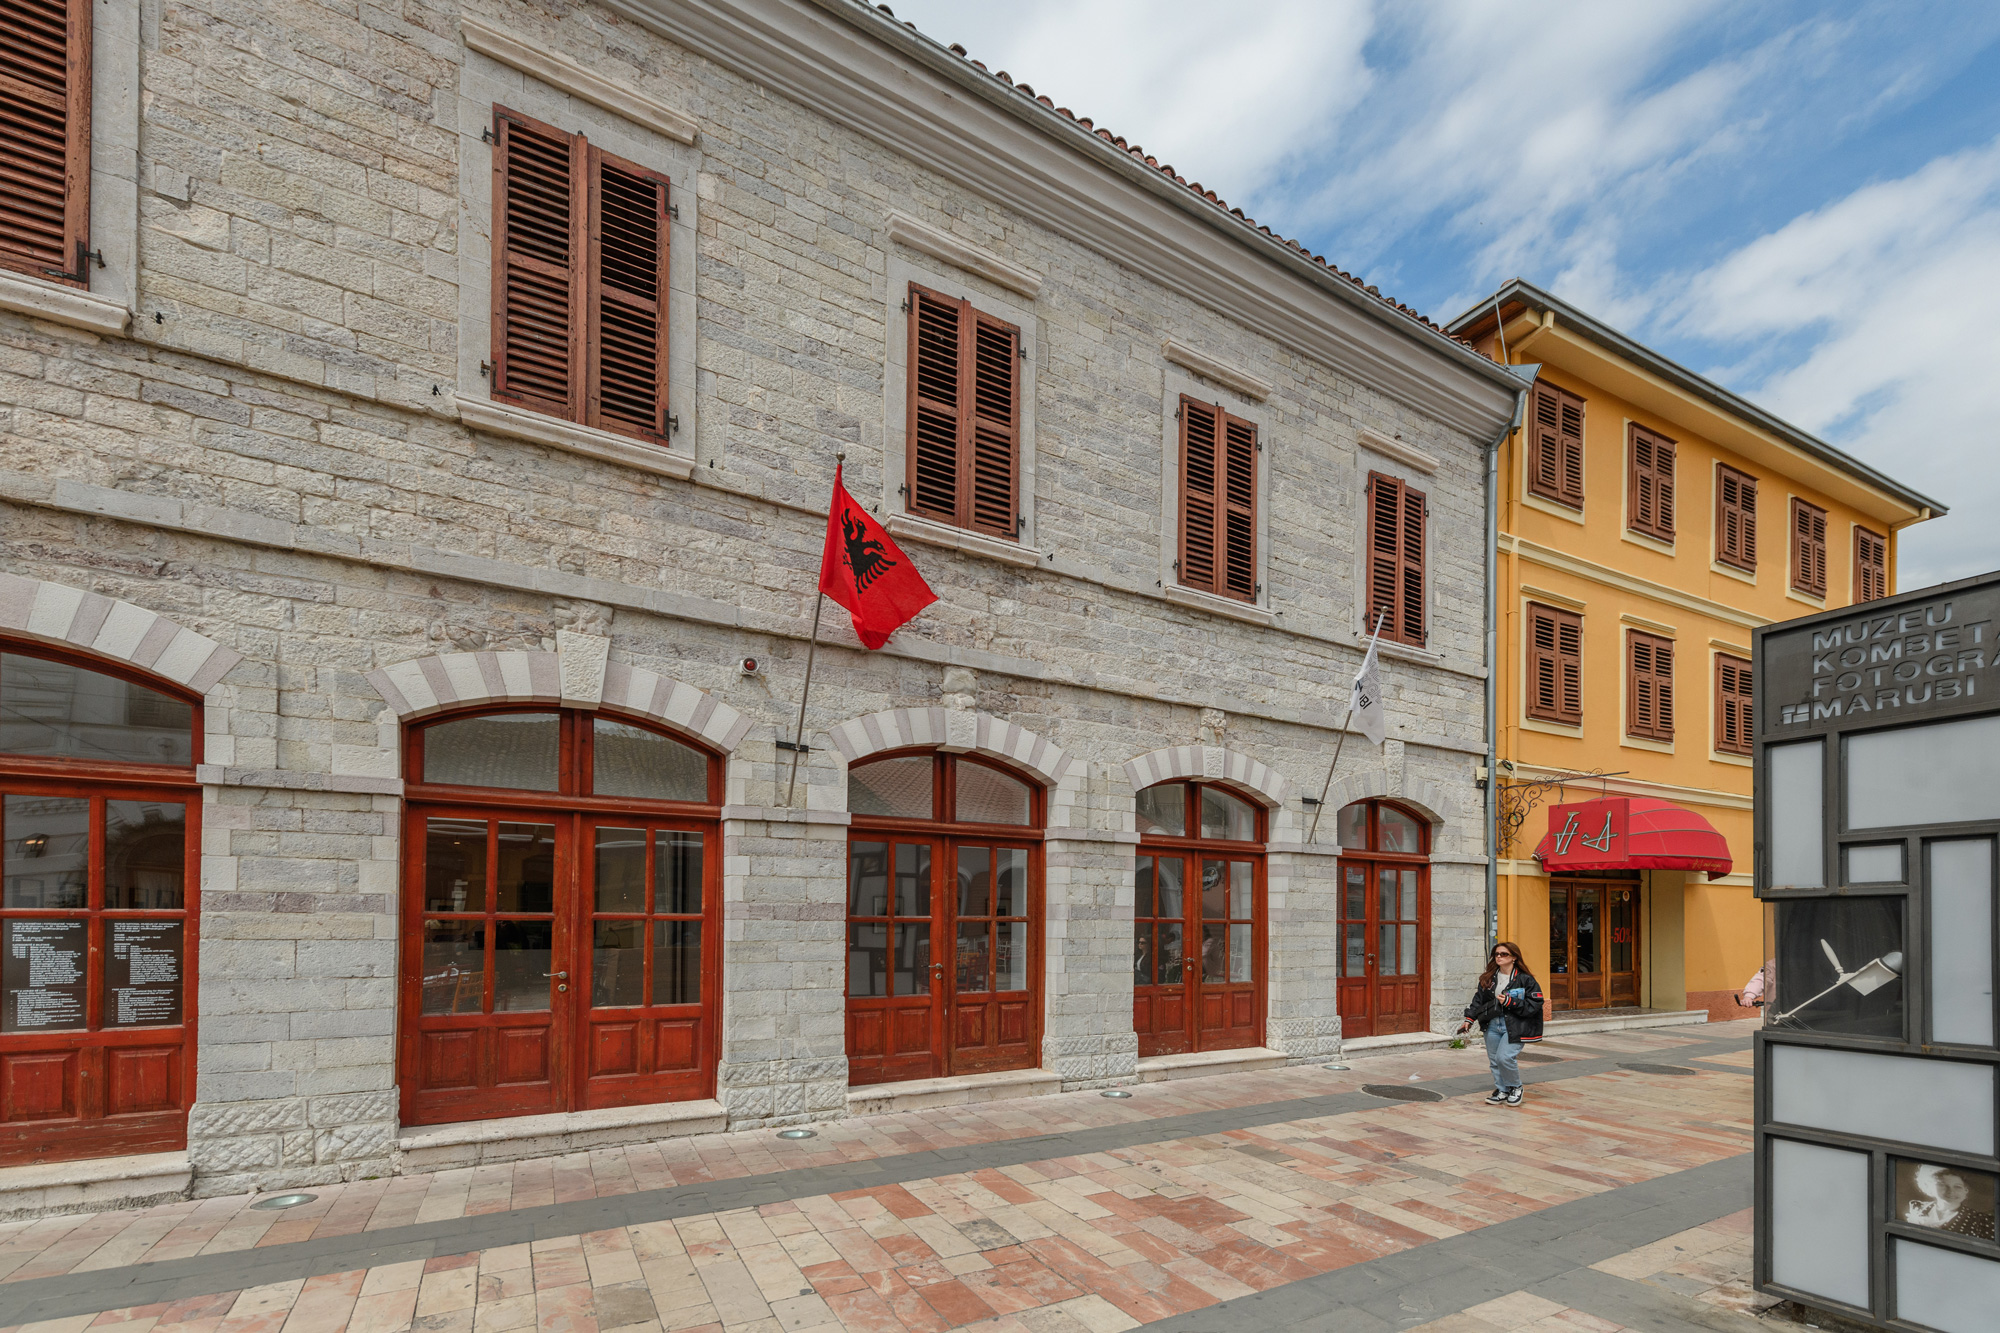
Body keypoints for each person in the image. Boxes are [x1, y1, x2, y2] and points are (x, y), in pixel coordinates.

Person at [1458, 941, 1544, 1106]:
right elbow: (1479, 1000)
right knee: (1494, 1061)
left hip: (1514, 1024)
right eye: (1496, 954)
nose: (1499, 957)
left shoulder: (1525, 979)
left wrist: (1511, 1002)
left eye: (1504, 954)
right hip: (1491, 1024)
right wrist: (1469, 1019)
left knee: (1504, 1057)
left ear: (1514, 957)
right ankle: (1502, 1090)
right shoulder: (1489, 978)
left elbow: (1535, 1004)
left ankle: (1516, 1087)